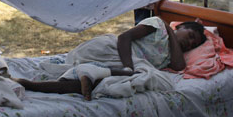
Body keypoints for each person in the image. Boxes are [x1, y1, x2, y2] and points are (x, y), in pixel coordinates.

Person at [14, 17, 206, 100]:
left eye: (193, 45)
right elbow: (124, 37)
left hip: (121, 66)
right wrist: (128, 69)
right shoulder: (158, 25)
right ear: (180, 27)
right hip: (111, 51)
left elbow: (180, 66)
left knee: (97, 84)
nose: (189, 44)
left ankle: (32, 85)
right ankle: (93, 72)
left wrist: (175, 37)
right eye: (190, 36)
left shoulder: (171, 53)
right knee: (123, 76)